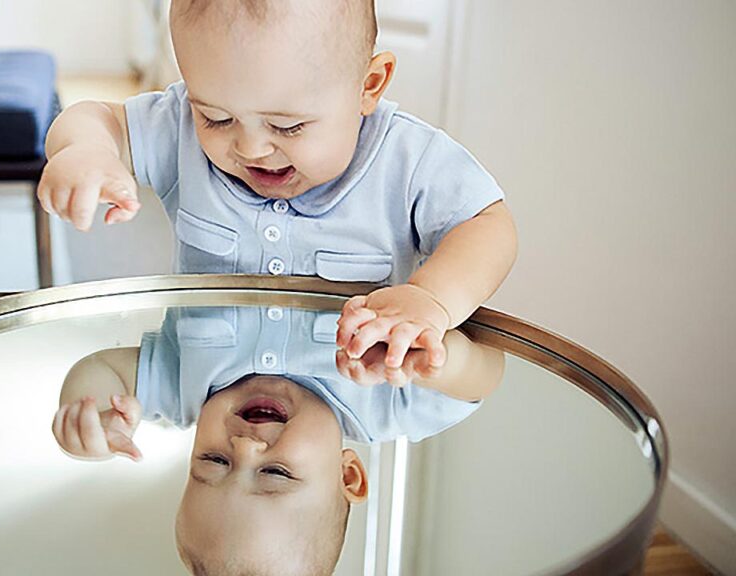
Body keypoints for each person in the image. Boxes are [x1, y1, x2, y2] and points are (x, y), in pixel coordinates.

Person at [38, 0, 517, 382]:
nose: (250, 147)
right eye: (217, 117)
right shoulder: (180, 127)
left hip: (362, 372)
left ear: (368, 86)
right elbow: (95, 118)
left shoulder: (408, 159)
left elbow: (487, 225)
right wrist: (86, 150)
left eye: (288, 127)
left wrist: (431, 299)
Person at [52, 305, 505, 575]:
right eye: (275, 472)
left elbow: (101, 369)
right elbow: (486, 372)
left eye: (213, 462)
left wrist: (89, 417)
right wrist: (442, 360)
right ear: (348, 475)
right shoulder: (388, 402)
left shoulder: (184, 388)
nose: (244, 447)